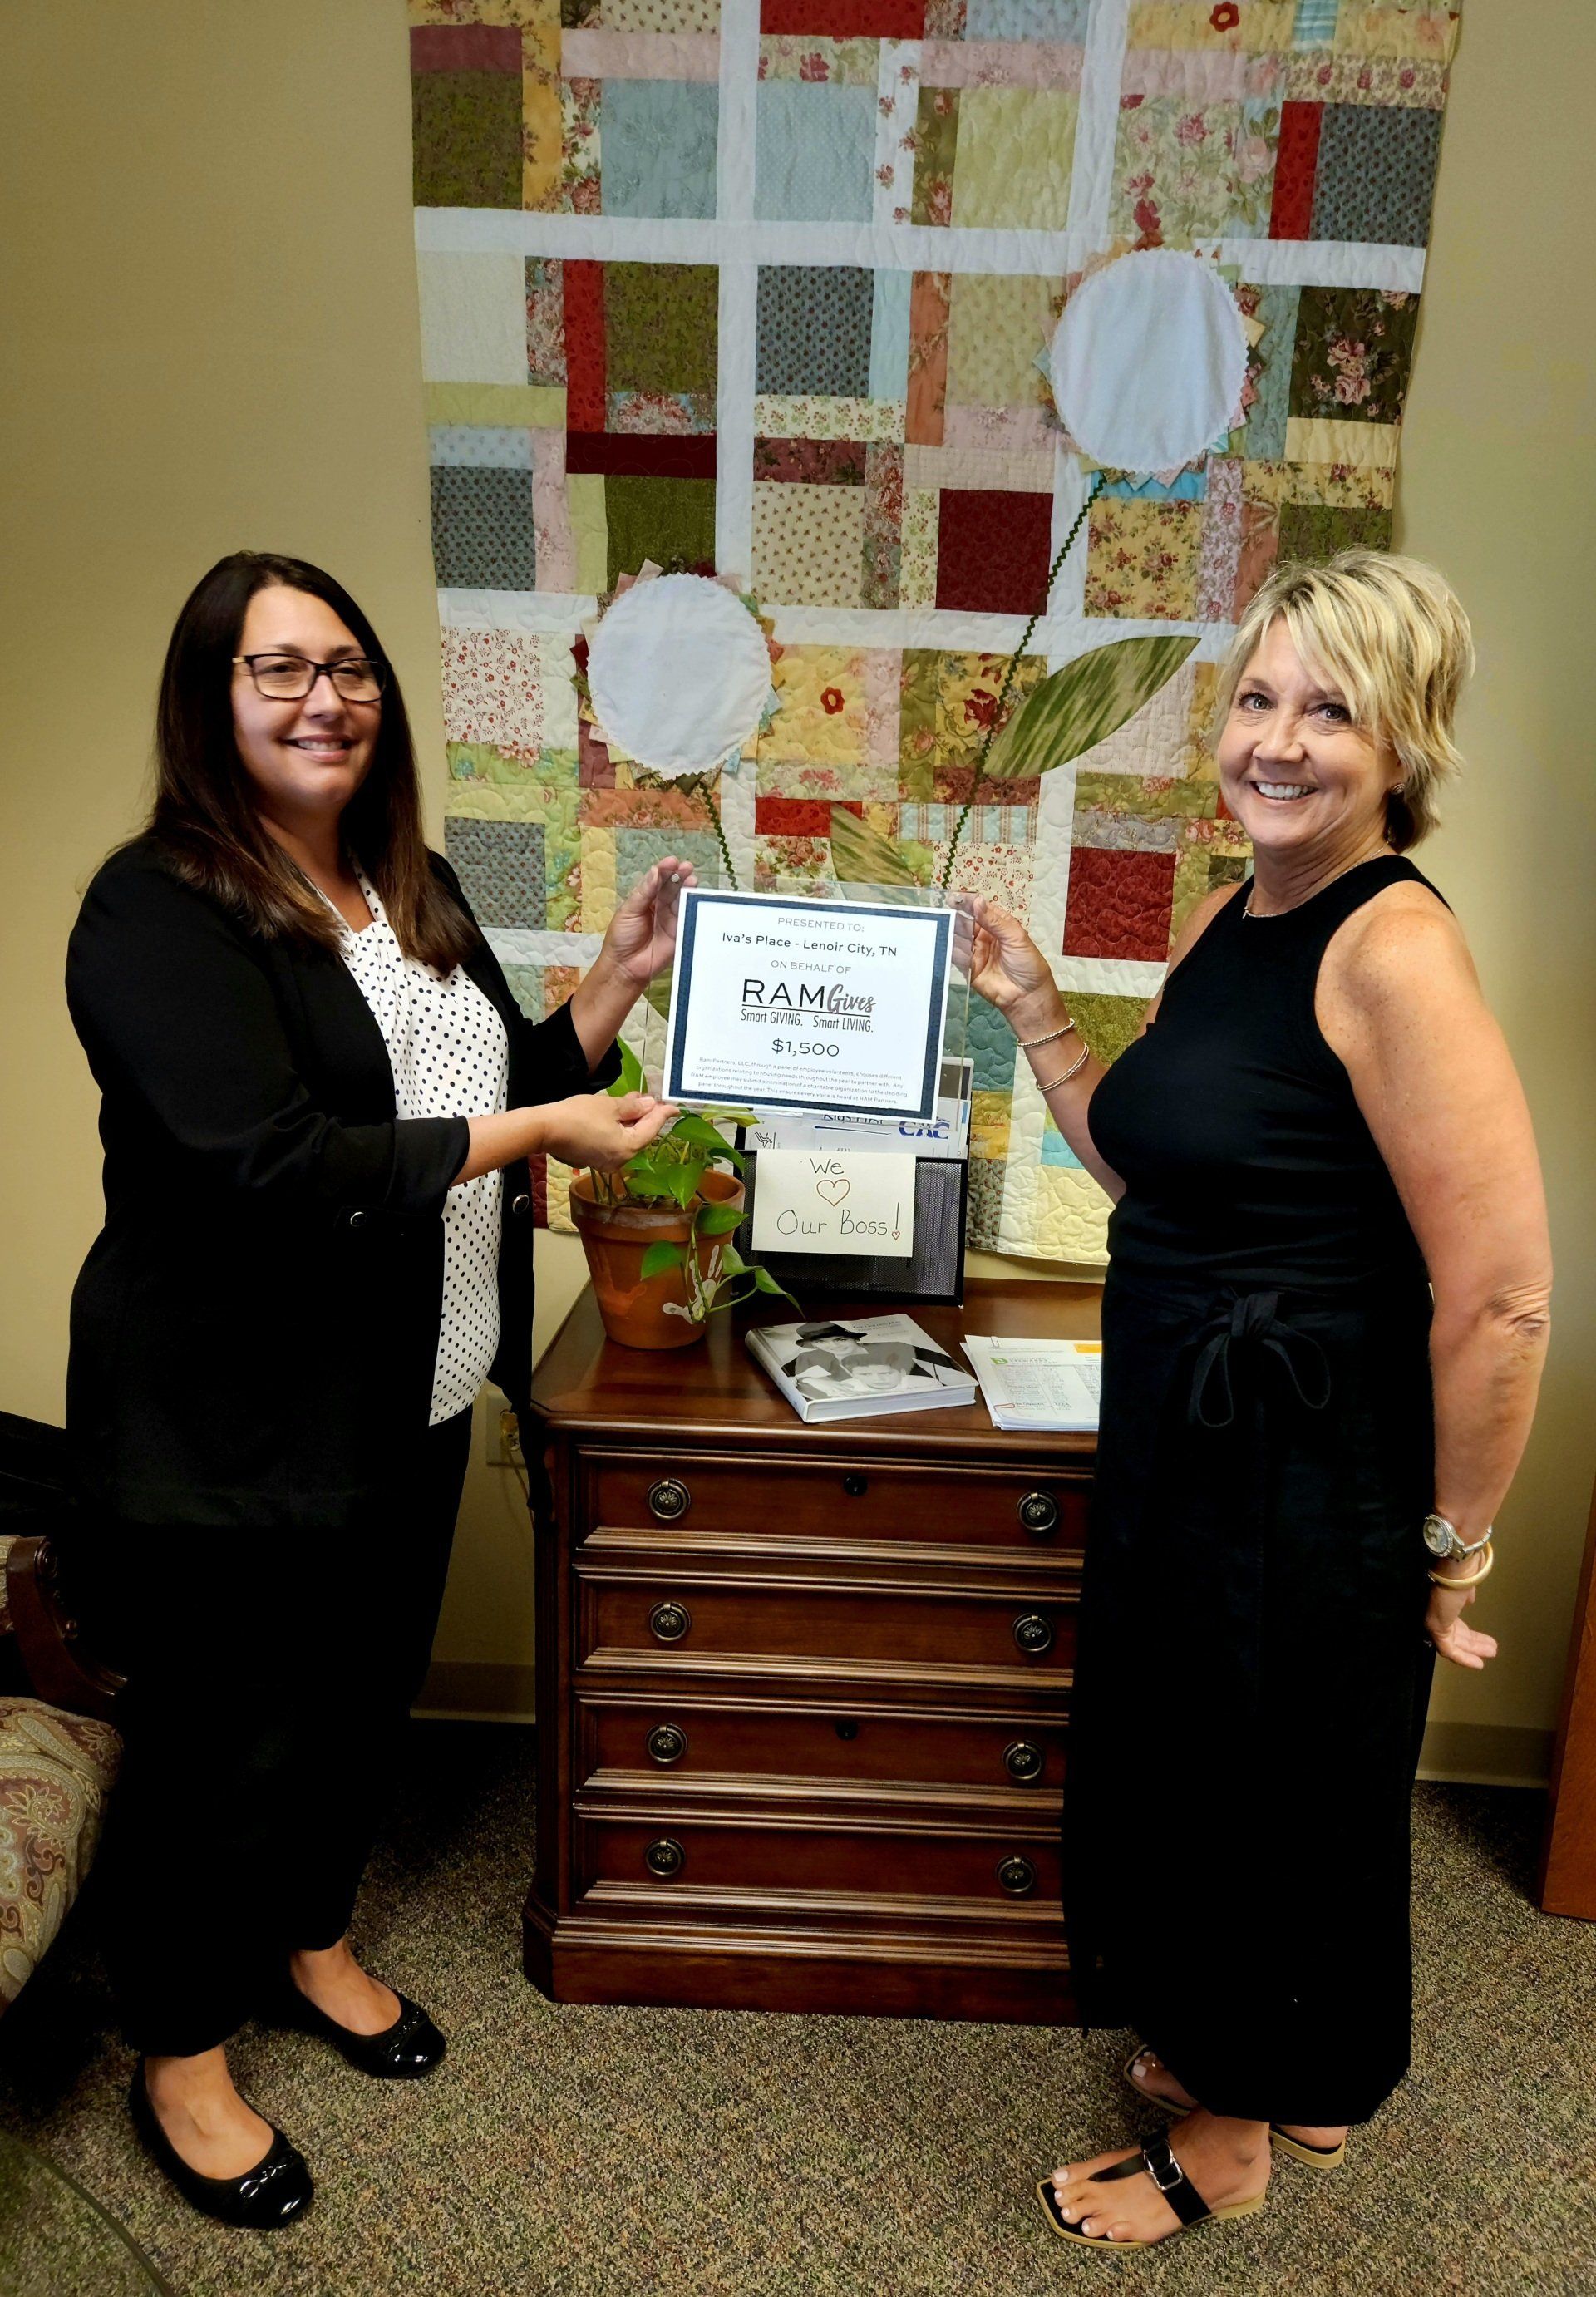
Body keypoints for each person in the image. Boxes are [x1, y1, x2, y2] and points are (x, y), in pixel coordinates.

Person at [65, 551, 682, 2228]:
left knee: (352, 1701)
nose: (323, 696)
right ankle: (180, 2052)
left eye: (346, 666)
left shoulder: (411, 884)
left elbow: (481, 1090)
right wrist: (543, 1132)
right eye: (277, 669)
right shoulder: (158, 906)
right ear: (211, 700)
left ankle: (313, 1936)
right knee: (216, 1741)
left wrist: (603, 998)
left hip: (409, 1390)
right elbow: (276, 1158)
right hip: (236, 1422)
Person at [964, 552, 1551, 2252]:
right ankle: (1312, 2067)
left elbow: (1504, 1291)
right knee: (1261, 1779)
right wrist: (1037, 1019)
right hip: (1194, 1444)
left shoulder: (1395, 951)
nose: (1278, 740)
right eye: (1259, 696)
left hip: (1312, 1468)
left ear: (1404, 741)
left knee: (1257, 1793)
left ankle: (1229, 2136)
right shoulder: (1237, 914)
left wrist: (1451, 1541)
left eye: (1333, 707)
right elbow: (1157, 1175)